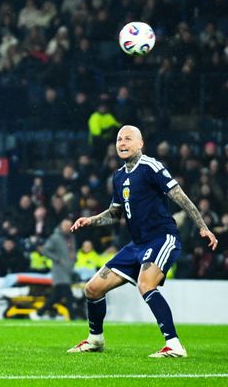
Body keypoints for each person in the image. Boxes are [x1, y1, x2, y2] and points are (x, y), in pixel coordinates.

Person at [68, 125, 219, 358]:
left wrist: (202, 227)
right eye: (119, 139)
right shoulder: (118, 176)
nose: (122, 143)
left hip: (161, 238)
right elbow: (115, 213)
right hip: (136, 245)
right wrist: (91, 220)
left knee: (146, 284)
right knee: (92, 289)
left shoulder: (151, 167)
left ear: (140, 144)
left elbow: (182, 198)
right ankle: (95, 340)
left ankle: (174, 345)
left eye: (128, 138)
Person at [31, 218, 76, 320]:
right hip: (59, 271)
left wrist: (74, 257)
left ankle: (39, 313)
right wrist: (57, 259)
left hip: (68, 270)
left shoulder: (71, 237)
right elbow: (45, 250)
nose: (68, 228)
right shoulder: (55, 238)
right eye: (66, 226)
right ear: (61, 226)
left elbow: (72, 250)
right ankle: (73, 318)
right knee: (68, 295)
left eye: (69, 226)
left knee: (56, 296)